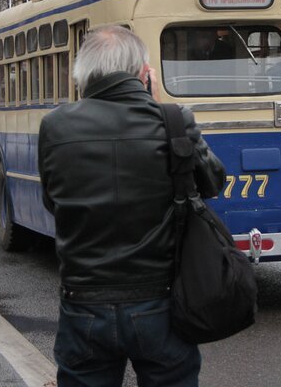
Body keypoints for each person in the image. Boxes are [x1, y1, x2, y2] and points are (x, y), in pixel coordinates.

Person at [38, 25, 226, 387]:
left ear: (85, 73)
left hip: (84, 303)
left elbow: (53, 200)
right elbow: (213, 181)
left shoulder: (55, 126)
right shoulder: (171, 120)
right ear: (143, 73)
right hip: (159, 303)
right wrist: (158, 107)